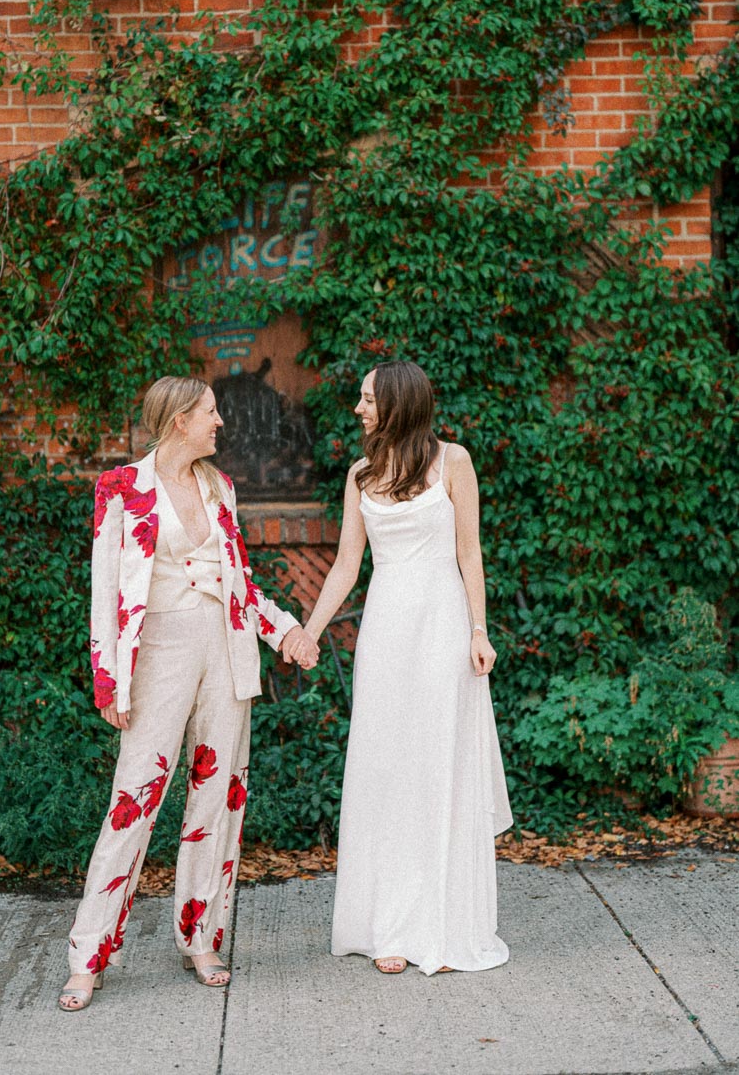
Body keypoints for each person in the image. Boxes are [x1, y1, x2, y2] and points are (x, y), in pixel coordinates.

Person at [59, 375, 319, 1010]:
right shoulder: (121, 490)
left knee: (217, 803)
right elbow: (104, 593)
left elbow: (241, 583)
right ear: (179, 420)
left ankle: (202, 937)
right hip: (158, 658)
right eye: (210, 413)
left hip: (224, 654)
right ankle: (88, 954)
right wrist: (108, 678)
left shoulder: (220, 487)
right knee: (133, 799)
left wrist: (285, 631)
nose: (220, 423)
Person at [301, 360, 512, 976]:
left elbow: (469, 552)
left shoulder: (454, 462)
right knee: (387, 772)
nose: (359, 409)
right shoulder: (361, 474)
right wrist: (309, 632)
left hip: (444, 627)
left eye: (367, 399)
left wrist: (479, 629)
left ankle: (442, 927)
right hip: (388, 630)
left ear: (397, 403)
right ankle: (389, 924)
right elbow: (345, 565)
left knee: (436, 768)